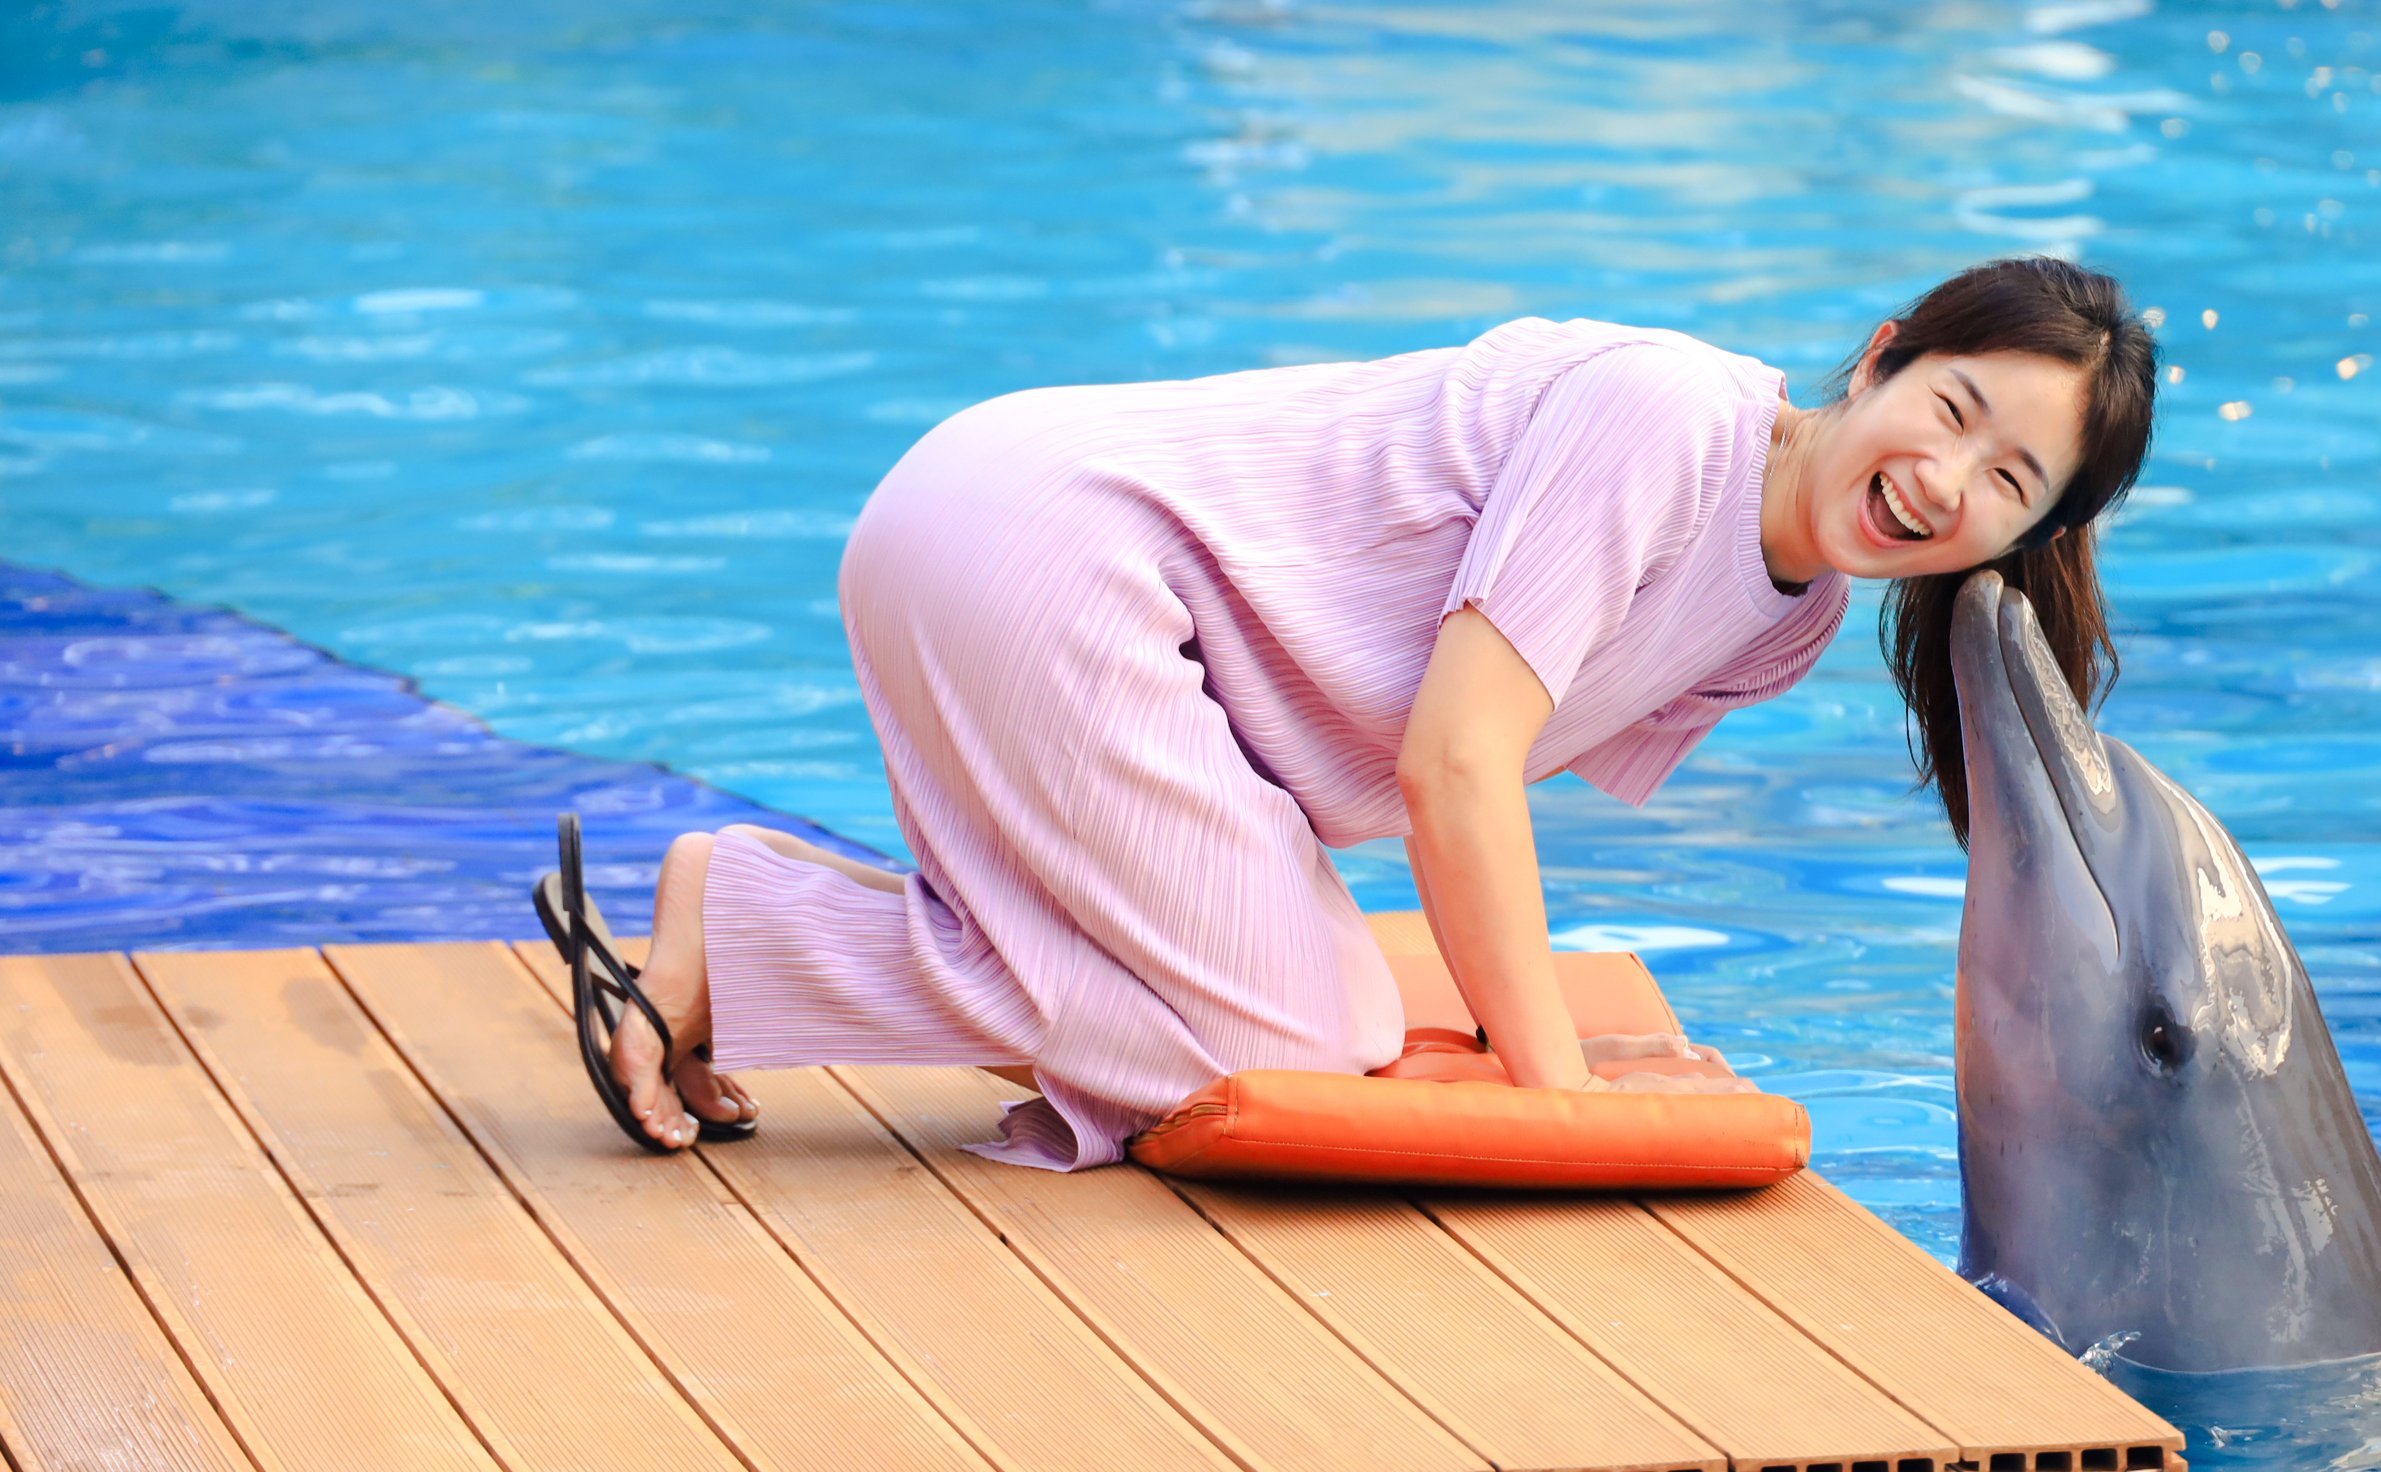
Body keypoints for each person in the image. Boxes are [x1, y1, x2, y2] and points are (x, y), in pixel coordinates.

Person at [567, 256, 2155, 1164]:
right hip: (1048, 550)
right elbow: (1456, 766)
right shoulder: (1671, 417)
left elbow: (1469, 770)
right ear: (1882, 358)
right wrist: (1561, 1098)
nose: (1946, 478)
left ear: (2026, 537)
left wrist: (1481, 1033)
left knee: (1338, 1023)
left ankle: (752, 924)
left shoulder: (1789, 618)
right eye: (1952, 408)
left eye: (2010, 481)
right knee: (1290, 1042)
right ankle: (762, 935)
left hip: (1127, 636)